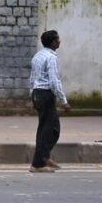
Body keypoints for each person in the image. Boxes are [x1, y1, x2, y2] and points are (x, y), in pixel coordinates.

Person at [29, 30, 70, 173]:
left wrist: (32, 96)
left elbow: (32, 78)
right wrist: (63, 100)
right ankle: (38, 164)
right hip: (46, 94)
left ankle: (44, 157)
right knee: (46, 130)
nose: (60, 42)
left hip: (37, 93)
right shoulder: (51, 57)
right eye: (58, 40)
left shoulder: (38, 56)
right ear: (53, 42)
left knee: (53, 130)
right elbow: (54, 81)